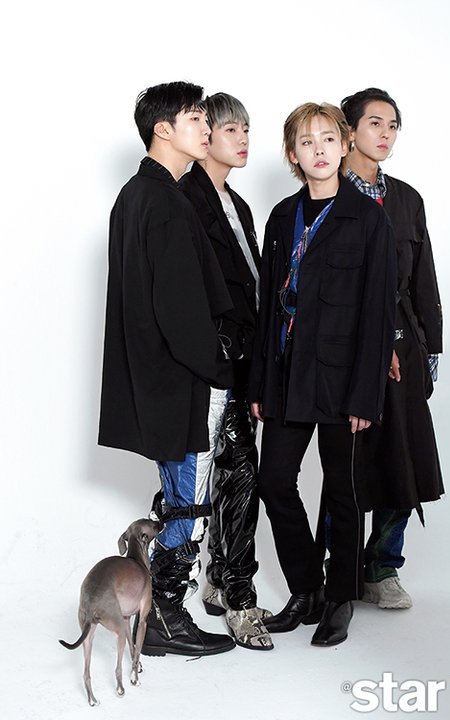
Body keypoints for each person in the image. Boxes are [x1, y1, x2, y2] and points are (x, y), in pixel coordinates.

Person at [248, 102, 397, 646]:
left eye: (328, 139)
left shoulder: (369, 219)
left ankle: (340, 599)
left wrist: (365, 396)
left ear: (344, 146)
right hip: (288, 377)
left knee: (343, 493)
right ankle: (308, 588)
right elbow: (267, 309)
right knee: (273, 482)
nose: (319, 150)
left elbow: (378, 315)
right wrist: (261, 384)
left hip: (342, 381)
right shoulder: (282, 217)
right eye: (306, 142)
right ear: (293, 154)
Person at [98, 81, 237, 657]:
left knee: (179, 497)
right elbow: (177, 308)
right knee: (189, 505)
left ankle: (153, 614)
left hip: (160, 382)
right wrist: (219, 367)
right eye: (196, 118)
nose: (207, 128)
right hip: (185, 383)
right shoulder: (165, 202)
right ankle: (164, 618)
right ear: (163, 129)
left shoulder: (138, 195)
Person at [318, 88, 443, 610]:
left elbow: (423, 280)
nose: (386, 134)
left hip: (405, 348)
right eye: (375, 123)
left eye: (393, 125)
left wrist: (429, 348)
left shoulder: (407, 199)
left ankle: (382, 566)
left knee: (404, 462)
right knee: (348, 465)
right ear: (349, 132)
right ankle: (339, 571)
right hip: (346, 351)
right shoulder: (326, 194)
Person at [179, 93, 272, 650]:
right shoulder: (185, 197)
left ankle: (221, 582)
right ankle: (236, 598)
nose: (243, 140)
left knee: (237, 474)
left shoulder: (237, 203)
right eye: (232, 129)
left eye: (246, 130)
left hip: (244, 361)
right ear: (205, 135)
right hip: (209, 362)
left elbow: (252, 285)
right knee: (226, 475)